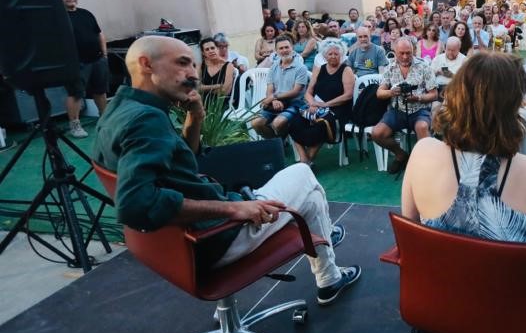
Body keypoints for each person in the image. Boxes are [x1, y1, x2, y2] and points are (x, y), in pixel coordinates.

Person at [93, 36, 360, 305]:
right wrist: (234, 210)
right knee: (303, 174)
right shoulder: (146, 120)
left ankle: (328, 269)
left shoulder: (120, 109)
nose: (192, 75)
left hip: (174, 245)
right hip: (214, 237)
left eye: (193, 65)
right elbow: (135, 204)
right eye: (183, 63)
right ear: (146, 64)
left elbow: (183, 161)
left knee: (311, 200)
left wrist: (195, 117)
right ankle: (326, 258)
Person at [401, 51, 526, 290]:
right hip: (506, 310)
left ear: (456, 95)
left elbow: (410, 237)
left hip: (440, 300)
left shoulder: (422, 152)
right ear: (511, 109)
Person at [372, 38, 438, 174]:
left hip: (419, 109)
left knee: (422, 127)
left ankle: (424, 164)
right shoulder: (390, 67)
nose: (405, 56)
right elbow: (379, 93)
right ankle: (401, 155)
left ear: (413, 51)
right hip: (397, 110)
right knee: (377, 133)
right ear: (395, 52)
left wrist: (418, 98)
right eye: (401, 53)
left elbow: (434, 94)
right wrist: (391, 92)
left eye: (408, 53)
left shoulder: (424, 66)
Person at [291, 43, 355, 166]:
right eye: (330, 54)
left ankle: (307, 160)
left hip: (338, 108)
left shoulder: (346, 70)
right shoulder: (320, 69)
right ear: (325, 56)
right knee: (295, 121)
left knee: (321, 125)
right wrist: (312, 104)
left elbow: (348, 95)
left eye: (336, 54)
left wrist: (325, 104)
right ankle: (304, 159)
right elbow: (308, 92)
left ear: (341, 56)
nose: (333, 56)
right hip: (317, 106)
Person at [60, 0, 109, 138]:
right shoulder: (58, 17)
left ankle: (105, 119)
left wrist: (105, 55)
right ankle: (75, 126)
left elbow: (99, 34)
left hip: (97, 59)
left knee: (100, 91)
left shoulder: (86, 14)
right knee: (75, 94)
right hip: (76, 64)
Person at [251, 36, 309, 139]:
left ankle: (278, 143)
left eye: (287, 47)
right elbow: (269, 89)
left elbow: (295, 91)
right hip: (276, 103)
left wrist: (273, 97)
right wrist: (273, 100)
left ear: (292, 48)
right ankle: (277, 142)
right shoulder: (273, 67)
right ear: (276, 51)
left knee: (278, 123)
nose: (284, 50)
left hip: (295, 103)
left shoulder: (301, 68)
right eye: (281, 48)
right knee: (256, 123)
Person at [197, 37, 237, 106]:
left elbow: (225, 91)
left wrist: (204, 89)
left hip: (221, 104)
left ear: (217, 49)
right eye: (207, 49)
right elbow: (197, 88)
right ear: (203, 53)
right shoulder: (200, 66)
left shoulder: (228, 66)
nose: (211, 51)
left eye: (213, 48)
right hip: (203, 104)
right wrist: (217, 86)